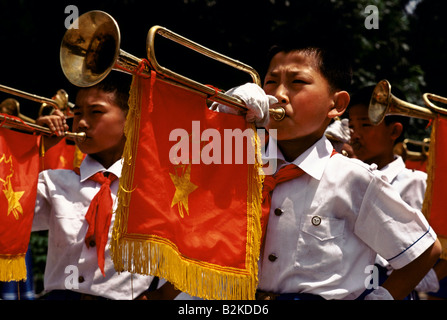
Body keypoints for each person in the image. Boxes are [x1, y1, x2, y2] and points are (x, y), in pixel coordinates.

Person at [214, 34, 441, 300]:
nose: (278, 95)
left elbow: (425, 251)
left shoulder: (355, 178)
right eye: (270, 82)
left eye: (297, 82)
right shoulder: (241, 165)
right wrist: (223, 115)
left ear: (336, 105)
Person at [33, 72, 178, 300]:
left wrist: (163, 295)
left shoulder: (160, 188)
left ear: (131, 119)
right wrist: (34, 152)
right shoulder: (53, 181)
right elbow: (10, 221)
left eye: (96, 112)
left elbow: (201, 243)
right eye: (77, 113)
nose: (81, 122)